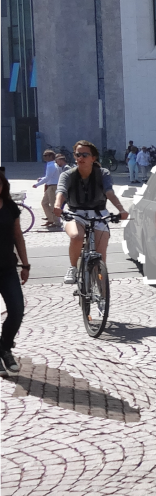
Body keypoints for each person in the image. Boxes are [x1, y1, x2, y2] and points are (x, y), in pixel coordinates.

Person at [53, 141, 130, 285]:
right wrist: (58, 205)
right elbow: (61, 191)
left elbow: (109, 192)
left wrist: (121, 209)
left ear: (93, 158)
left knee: (100, 257)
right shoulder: (68, 174)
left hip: (99, 213)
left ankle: (101, 289)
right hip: (75, 213)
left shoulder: (103, 173)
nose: (80, 158)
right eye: (77, 154)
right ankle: (73, 268)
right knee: (77, 236)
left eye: (84, 154)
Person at [0, 170, 32, 376]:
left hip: (7, 269)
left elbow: (18, 236)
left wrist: (25, 265)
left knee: (17, 310)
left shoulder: (10, 207)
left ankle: (4, 347)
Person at [35, 149, 64, 229]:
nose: (44, 157)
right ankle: (51, 219)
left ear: (51, 156)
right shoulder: (51, 164)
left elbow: (48, 177)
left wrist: (37, 184)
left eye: (46, 155)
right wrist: (41, 179)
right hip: (50, 186)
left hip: (53, 187)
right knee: (44, 203)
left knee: (53, 205)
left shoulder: (52, 165)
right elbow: (49, 176)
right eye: (44, 155)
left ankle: (57, 222)